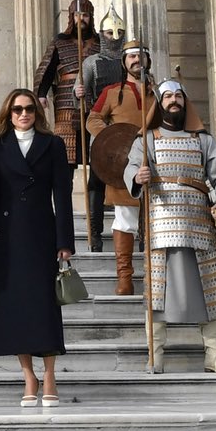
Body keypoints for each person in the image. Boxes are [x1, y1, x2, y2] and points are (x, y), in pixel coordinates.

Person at [129, 80, 216, 376]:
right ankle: (155, 353)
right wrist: (137, 175)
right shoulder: (146, 140)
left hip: (199, 220)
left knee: (210, 287)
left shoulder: (203, 140)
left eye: (178, 95)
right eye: (168, 96)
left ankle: (213, 353)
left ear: (185, 101)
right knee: (157, 290)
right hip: (161, 220)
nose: (173, 100)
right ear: (159, 102)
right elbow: (130, 168)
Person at [0, 91, 72, 406]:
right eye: (17, 109)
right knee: (17, 308)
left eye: (29, 108)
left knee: (44, 305)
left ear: (37, 111)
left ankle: (49, 374)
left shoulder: (53, 145)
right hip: (8, 236)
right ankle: (28, 375)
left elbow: (62, 194)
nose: (23, 114)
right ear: (9, 112)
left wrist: (65, 241)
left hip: (41, 234)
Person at [86, 39, 152, 296]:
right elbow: (93, 118)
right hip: (124, 167)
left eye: (141, 56)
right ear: (124, 62)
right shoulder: (112, 92)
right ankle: (125, 277)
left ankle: (153, 276)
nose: (137, 61)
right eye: (132, 57)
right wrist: (111, 141)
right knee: (125, 219)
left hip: (156, 163)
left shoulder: (161, 92)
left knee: (156, 222)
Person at [77, 9, 128, 252]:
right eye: (109, 32)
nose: (114, 36)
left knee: (130, 181)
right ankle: (95, 234)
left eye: (118, 32)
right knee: (96, 181)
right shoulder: (91, 63)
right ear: (101, 34)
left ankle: (137, 234)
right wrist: (78, 91)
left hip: (128, 129)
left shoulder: (130, 62)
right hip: (100, 128)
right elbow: (82, 92)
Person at [34, 0, 99, 177]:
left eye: (85, 15)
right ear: (72, 17)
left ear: (91, 17)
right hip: (66, 103)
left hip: (94, 102)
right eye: (78, 14)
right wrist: (41, 94)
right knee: (65, 156)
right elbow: (46, 69)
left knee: (97, 152)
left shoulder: (100, 43)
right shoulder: (60, 42)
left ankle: (95, 203)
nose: (82, 18)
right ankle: (65, 202)